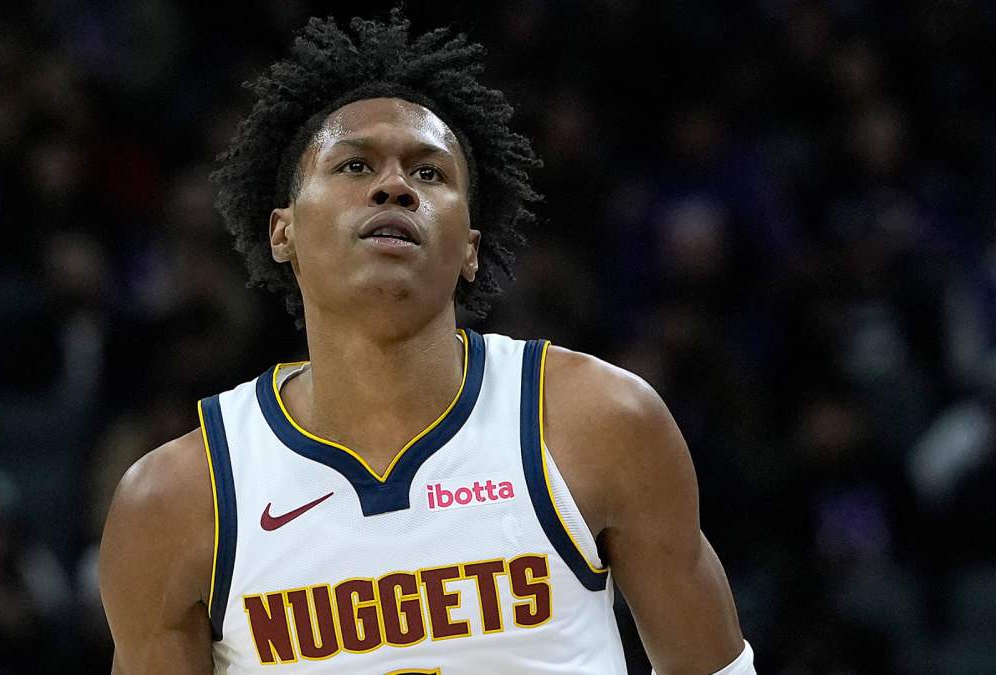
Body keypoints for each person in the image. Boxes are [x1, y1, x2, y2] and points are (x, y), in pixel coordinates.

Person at [99, 9, 755, 674]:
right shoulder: (178, 500)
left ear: (470, 247)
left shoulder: (601, 421)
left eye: (429, 173)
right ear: (282, 231)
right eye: (355, 165)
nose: (394, 186)